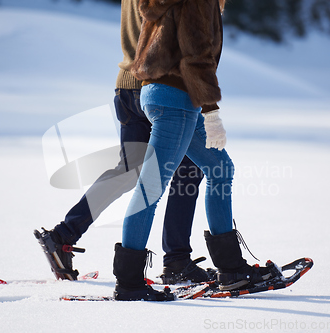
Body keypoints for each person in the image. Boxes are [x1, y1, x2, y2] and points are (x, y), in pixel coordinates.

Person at [34, 0, 213, 284]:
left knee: (129, 171)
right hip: (162, 86)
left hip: (127, 86)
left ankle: (64, 234)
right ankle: (177, 260)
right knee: (187, 170)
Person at [112, 0, 275, 301]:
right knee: (151, 187)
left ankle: (231, 269)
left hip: (159, 92)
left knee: (219, 169)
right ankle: (129, 282)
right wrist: (211, 112)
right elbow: (196, 55)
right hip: (177, 97)